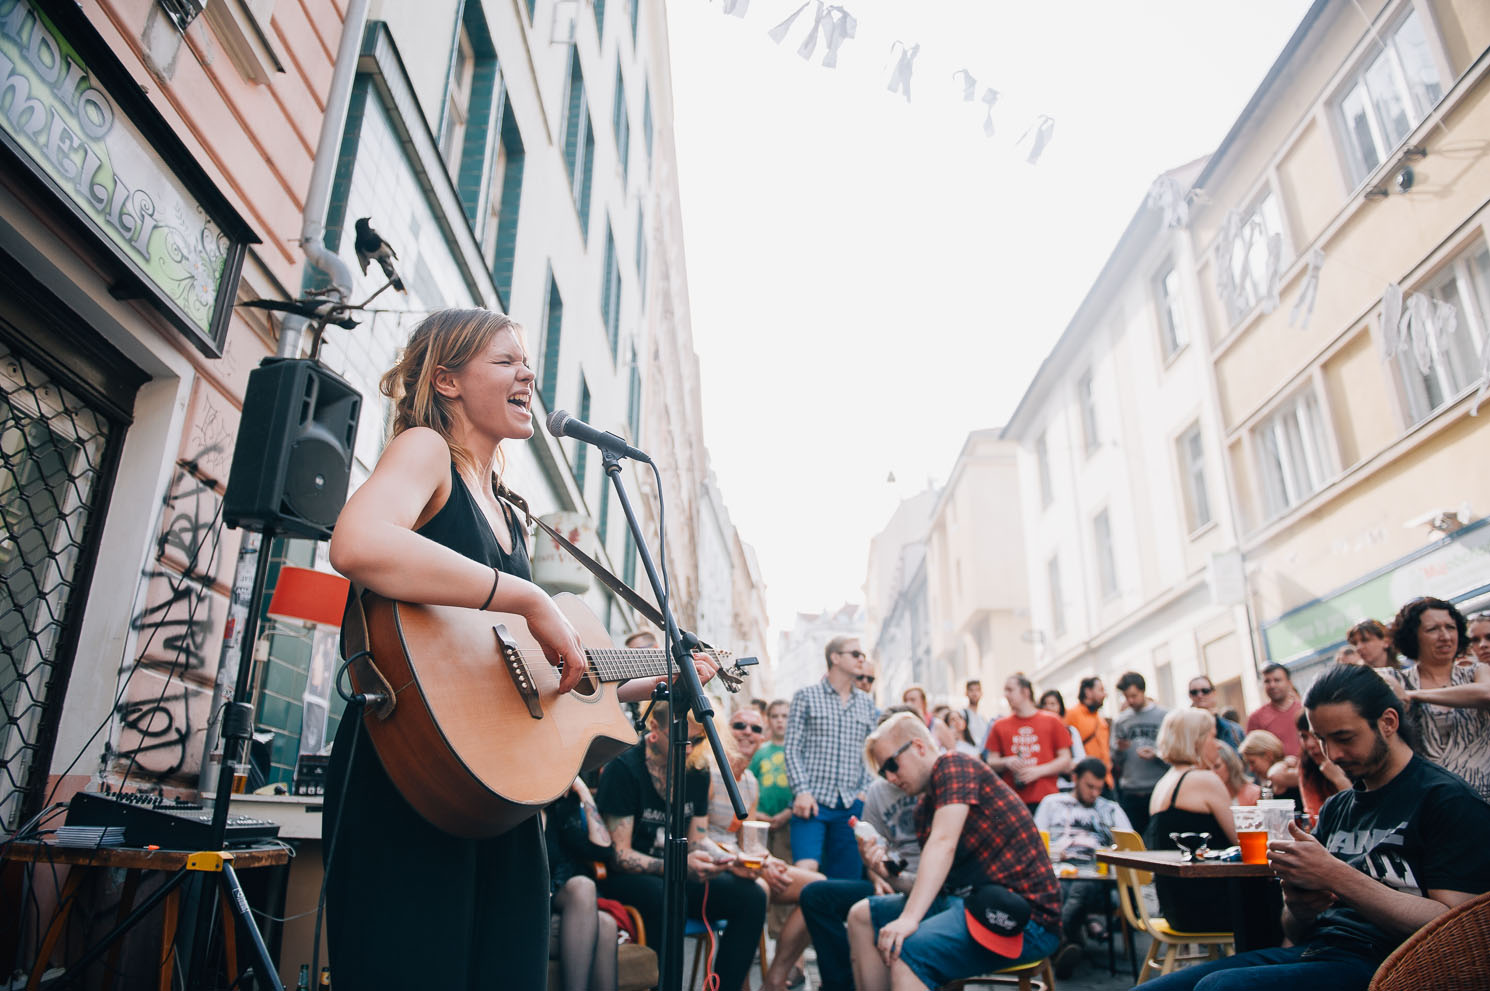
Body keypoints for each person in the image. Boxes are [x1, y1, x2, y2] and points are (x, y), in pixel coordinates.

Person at [323, 309, 715, 989]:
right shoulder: (425, 449)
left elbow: (547, 677)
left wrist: (655, 673)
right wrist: (528, 597)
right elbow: (357, 543)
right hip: (409, 776)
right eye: (506, 361)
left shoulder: (511, 510)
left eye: (526, 362)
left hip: (497, 800)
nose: (528, 373)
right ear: (446, 379)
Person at [1137, 664, 1490, 991]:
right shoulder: (1339, 806)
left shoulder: (1445, 800)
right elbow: (1294, 928)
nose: (1331, 753)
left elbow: (1457, 928)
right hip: (1319, 950)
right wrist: (1298, 903)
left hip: (1395, 965)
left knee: (1219, 987)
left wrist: (1334, 874)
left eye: (1344, 738)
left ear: (1388, 722)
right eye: (1321, 739)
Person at [848, 713, 1062, 991]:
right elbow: (934, 887)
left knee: (908, 952)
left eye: (892, 765)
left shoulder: (953, 764)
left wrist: (908, 920)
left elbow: (943, 843)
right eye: (882, 772)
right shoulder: (923, 810)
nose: (889, 778)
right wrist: (882, 870)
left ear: (919, 747)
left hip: (1026, 918)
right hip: (970, 903)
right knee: (860, 917)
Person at [595, 700, 767, 991]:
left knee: (751, 897)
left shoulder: (695, 770)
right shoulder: (624, 769)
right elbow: (619, 855)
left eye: (697, 740)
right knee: (668, 896)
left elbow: (698, 838)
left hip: (678, 875)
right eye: (682, 740)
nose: (688, 748)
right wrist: (678, 867)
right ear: (654, 728)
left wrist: (729, 860)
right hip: (634, 878)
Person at [797, 706, 926, 991]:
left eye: (893, 760)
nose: (890, 773)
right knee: (816, 895)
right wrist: (876, 872)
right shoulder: (879, 791)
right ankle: (842, 984)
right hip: (892, 882)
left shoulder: (935, 779)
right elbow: (872, 843)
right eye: (883, 765)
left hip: (929, 887)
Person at [786, 635, 880, 878]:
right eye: (856, 654)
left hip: (851, 806)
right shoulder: (806, 697)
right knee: (806, 876)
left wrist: (864, 792)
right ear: (835, 658)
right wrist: (802, 791)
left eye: (863, 655)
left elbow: (871, 756)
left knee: (844, 881)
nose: (862, 659)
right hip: (812, 804)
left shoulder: (867, 705)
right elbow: (792, 748)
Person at [1143, 708, 1239, 934]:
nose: (1217, 744)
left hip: (1175, 908)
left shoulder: (1164, 782)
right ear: (1196, 740)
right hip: (1209, 908)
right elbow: (1241, 839)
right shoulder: (1204, 779)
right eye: (1212, 736)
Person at [1034, 758, 1132, 977]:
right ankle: (1067, 942)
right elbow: (1036, 839)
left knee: (1081, 885)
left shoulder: (1110, 809)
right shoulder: (1052, 803)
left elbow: (1129, 844)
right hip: (1058, 868)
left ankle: (1059, 939)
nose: (1095, 793)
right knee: (1059, 886)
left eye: (1099, 788)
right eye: (1090, 786)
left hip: (1097, 877)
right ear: (1075, 779)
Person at [1388, 596, 1490, 801]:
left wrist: (1414, 695)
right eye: (1433, 629)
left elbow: (1486, 693)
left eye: (1450, 627)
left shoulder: (1477, 672)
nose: (1445, 636)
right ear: (1413, 636)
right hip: (1434, 801)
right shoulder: (1396, 679)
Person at [544, 779, 619, 991]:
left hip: (556, 907)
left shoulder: (558, 808)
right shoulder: (513, 810)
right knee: (582, 886)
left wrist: (584, 792)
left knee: (606, 925)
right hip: (523, 909)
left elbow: (603, 850)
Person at [984, 674, 1074, 814]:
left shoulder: (1052, 721)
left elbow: (1065, 758)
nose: (1006, 695)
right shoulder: (999, 725)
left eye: (1010, 690)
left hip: (1047, 799)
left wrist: (1038, 771)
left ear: (1025, 692)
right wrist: (1007, 761)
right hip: (1013, 801)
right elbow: (991, 760)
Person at [1111, 672, 1167, 835]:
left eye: (1134, 696)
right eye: (1126, 697)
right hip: (1131, 790)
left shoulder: (1164, 716)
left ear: (1143, 691)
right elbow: (1114, 758)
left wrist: (1156, 754)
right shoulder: (1121, 720)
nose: (1130, 701)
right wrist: (1119, 749)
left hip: (1158, 788)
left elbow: (1174, 752)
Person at [1295, 711, 1348, 825]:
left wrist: (1339, 780)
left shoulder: (1351, 759)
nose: (1310, 744)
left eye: (1315, 736)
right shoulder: (1306, 764)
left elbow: (1365, 811)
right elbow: (1314, 816)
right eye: (1304, 737)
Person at [1246, 663, 1303, 757]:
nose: (1272, 685)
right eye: (1267, 681)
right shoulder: (1256, 719)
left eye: (1277, 680)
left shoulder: (1303, 710)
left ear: (1289, 683)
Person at [1066, 677, 1113, 789]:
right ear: (1088, 692)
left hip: (1106, 781)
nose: (1104, 694)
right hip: (1087, 782)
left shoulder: (1099, 718)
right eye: (1100, 690)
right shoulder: (1072, 715)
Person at [1239, 730, 1301, 806]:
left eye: (1252, 762)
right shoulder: (1267, 786)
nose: (1251, 769)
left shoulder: (1290, 771)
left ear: (1269, 755)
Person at [1188, 675, 1244, 749]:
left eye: (1205, 691)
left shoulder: (1234, 730)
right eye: (1194, 692)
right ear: (1190, 696)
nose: (1200, 695)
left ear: (1214, 693)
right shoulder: (1185, 732)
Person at [1039, 689, 1088, 765]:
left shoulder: (1070, 731)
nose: (1048, 707)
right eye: (1045, 704)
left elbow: (1080, 758)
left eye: (1052, 704)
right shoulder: (1038, 732)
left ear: (1060, 707)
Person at [965, 678, 990, 747]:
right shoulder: (962, 715)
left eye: (977, 690)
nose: (974, 693)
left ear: (981, 693)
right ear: (966, 693)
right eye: (971, 690)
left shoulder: (982, 718)